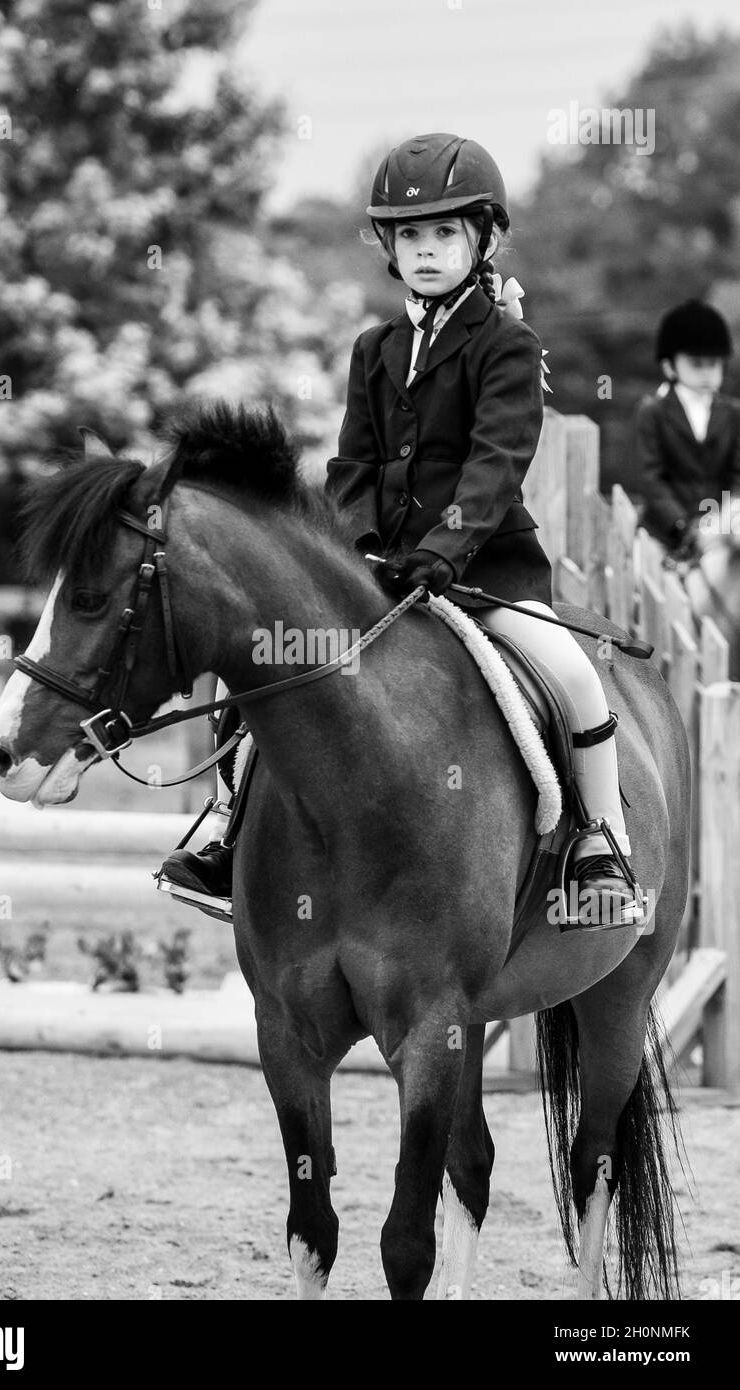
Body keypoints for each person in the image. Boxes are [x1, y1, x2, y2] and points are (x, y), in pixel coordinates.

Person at [163, 132, 638, 929]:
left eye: (443, 234)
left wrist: (440, 554)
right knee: (259, 669)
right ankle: (223, 830)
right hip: (377, 574)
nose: (424, 250)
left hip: (485, 573)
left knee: (573, 676)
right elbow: (351, 466)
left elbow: (495, 464)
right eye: (409, 235)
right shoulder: (373, 349)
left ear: (480, 240)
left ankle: (598, 845)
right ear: (388, 246)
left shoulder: (506, 346)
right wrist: (350, 553)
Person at [632, 300, 740, 557]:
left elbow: (738, 474)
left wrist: (724, 518)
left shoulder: (734, 413)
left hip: (720, 529)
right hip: (663, 534)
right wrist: (681, 524)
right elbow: (650, 479)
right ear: (670, 366)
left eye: (713, 364)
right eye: (696, 364)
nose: (706, 373)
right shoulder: (653, 412)